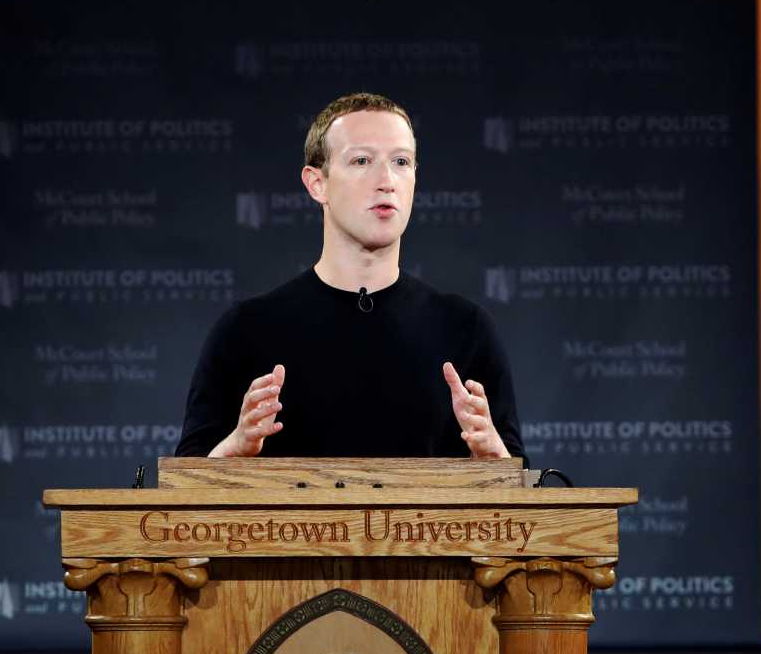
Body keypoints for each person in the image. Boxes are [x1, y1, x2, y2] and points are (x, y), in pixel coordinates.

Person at [175, 92, 524, 460]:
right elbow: (184, 490)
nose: (386, 180)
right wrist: (235, 448)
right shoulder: (244, 331)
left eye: (401, 161)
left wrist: (493, 459)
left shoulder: (466, 329)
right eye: (361, 160)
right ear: (316, 183)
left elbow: (520, 492)